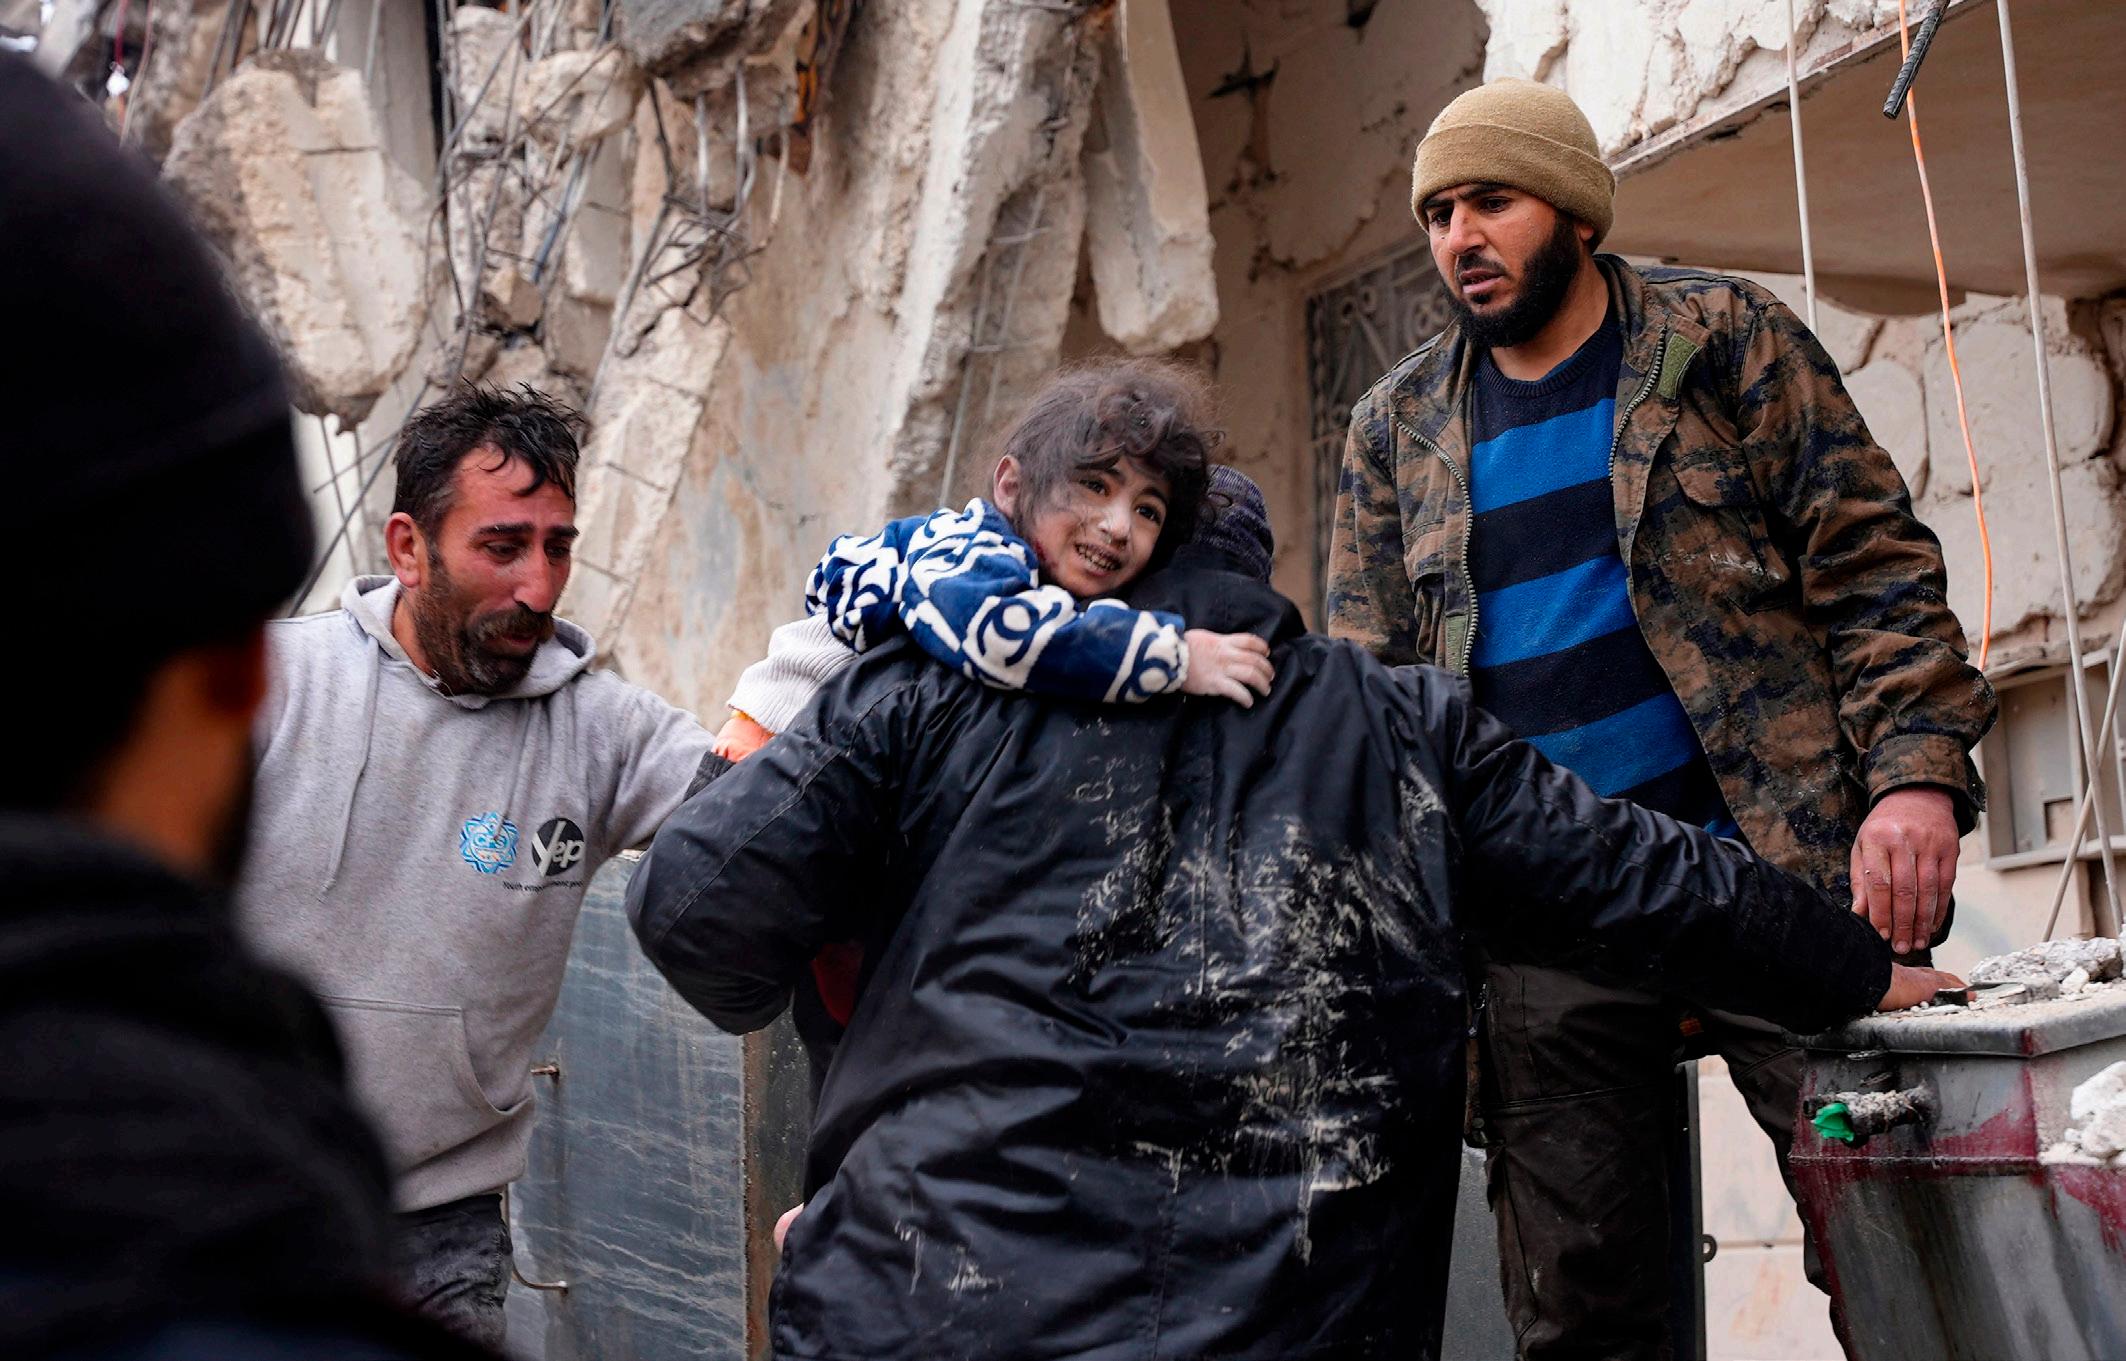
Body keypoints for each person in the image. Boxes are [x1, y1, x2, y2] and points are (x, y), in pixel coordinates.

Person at [624, 502, 1958, 1360]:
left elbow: (692, 908)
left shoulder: (926, 694)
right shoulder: (1397, 726)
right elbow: (1640, 874)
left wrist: (855, 1133)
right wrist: (1856, 966)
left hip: (924, 1315)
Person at [1327, 77, 1998, 1357]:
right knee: (1586, 1319)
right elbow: (1376, 709)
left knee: (1902, 1260)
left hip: (1782, 878)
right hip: (1545, 926)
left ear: (1573, 211)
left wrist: (1912, 776)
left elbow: (1872, 569)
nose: (1458, 237)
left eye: (1490, 201)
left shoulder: (1719, 339)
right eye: (1437, 214)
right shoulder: (1394, 429)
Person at [0, 54, 487, 1361]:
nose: (534, 584)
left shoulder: (586, 718)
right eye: (502, 544)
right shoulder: (229, 1280)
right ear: (236, 666)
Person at [233, 385, 720, 1349]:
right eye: (503, 546)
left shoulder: (606, 732)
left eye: (557, 547)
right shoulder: (269, 687)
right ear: (408, 548)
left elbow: (773, 813)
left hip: (440, 1231)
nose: (538, 586)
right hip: (231, 1206)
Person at [710, 361, 1275, 1076]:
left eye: (1147, 511)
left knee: (864, 1024)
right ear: (1011, 486)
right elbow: (1008, 638)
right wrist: (1174, 655)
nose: (1115, 526)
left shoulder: (1035, 594)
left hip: (822, 815)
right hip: (758, 775)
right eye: (1094, 486)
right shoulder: (971, 558)